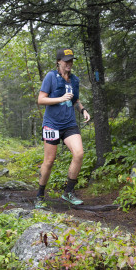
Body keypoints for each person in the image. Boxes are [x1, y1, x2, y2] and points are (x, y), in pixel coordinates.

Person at [35, 48, 91, 209]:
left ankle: (68, 192)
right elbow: (41, 99)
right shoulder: (51, 77)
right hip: (51, 124)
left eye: (71, 60)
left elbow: (75, 99)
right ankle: (40, 195)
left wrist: (83, 110)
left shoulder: (74, 80)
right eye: (66, 60)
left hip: (69, 123)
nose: (69, 63)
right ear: (59, 62)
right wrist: (60, 98)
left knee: (79, 154)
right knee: (49, 161)